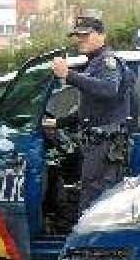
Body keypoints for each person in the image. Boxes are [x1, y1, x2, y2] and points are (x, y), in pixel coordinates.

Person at [46, 16, 133, 213]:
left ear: (102, 36)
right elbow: (90, 112)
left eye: (85, 35)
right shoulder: (94, 64)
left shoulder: (107, 62)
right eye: (77, 36)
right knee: (92, 197)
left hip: (104, 145)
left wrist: (68, 75)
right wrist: (58, 123)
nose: (79, 39)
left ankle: (91, 244)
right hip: (97, 144)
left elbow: (109, 89)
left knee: (95, 203)